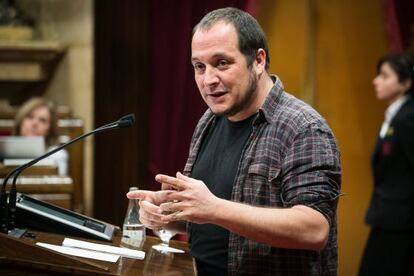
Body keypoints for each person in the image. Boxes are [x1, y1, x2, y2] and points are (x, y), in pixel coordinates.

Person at [128, 7, 341, 275]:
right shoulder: (209, 120)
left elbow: (314, 229)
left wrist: (213, 208)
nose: (208, 80)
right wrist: (173, 214)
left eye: (222, 63)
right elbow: (223, 221)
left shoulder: (303, 128)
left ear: (258, 60)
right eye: (199, 67)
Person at [359, 53, 414, 276]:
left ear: (406, 83)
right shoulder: (396, 115)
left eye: (384, 76)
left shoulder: (408, 118)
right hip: (390, 218)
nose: (376, 81)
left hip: (401, 223)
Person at [14, 97, 68, 175]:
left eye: (43, 120)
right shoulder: (3, 150)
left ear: (50, 129)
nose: (35, 123)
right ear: (20, 121)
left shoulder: (56, 155)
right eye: (30, 117)